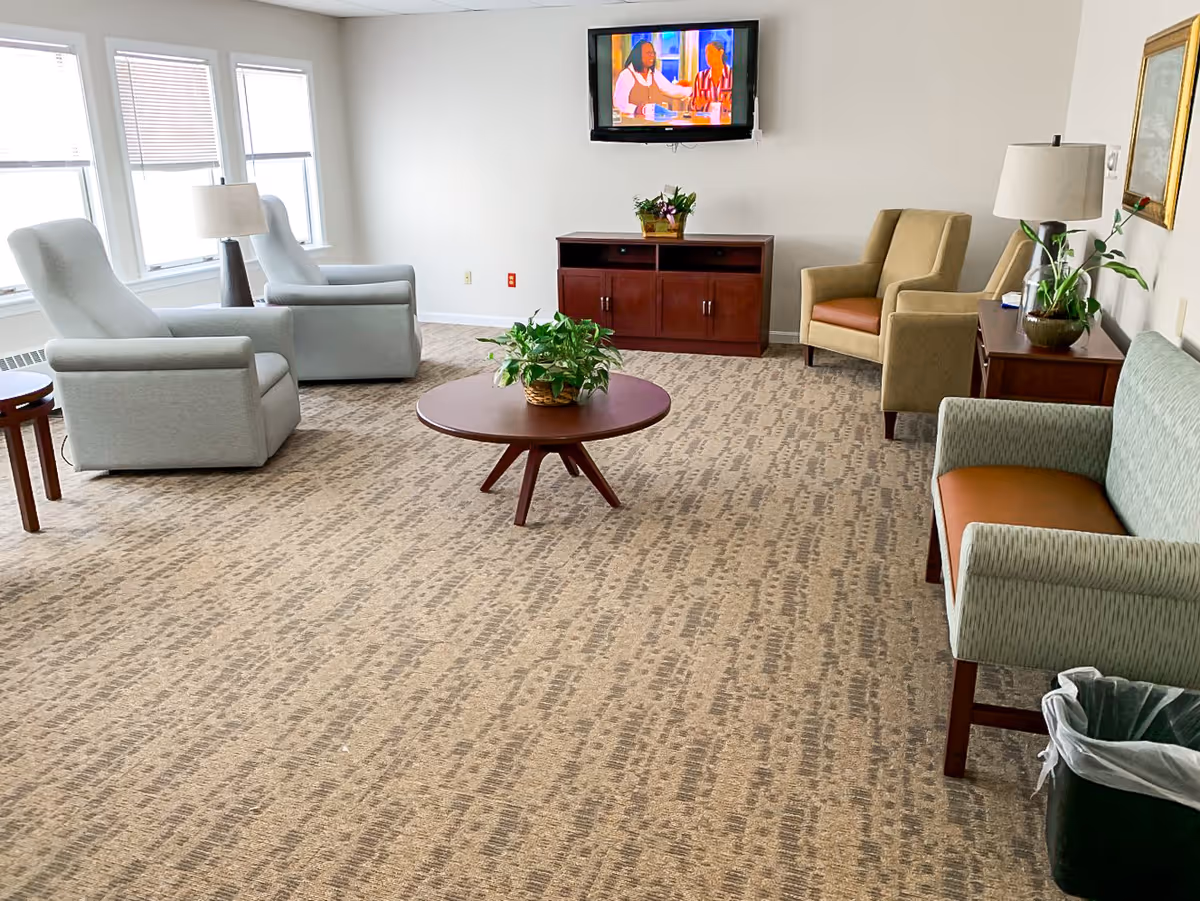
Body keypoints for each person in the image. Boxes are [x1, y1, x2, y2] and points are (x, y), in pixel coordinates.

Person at [613, 39, 692, 121]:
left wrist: (693, 91)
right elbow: (619, 104)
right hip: (634, 128)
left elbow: (672, 89)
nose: (652, 56)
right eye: (648, 53)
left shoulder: (655, 74)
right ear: (638, 55)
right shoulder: (626, 75)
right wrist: (639, 109)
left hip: (655, 128)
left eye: (653, 53)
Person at [690, 40, 734, 118]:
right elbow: (693, 107)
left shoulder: (733, 76)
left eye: (711, 52)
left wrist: (729, 106)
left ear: (720, 52)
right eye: (706, 53)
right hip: (705, 124)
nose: (707, 56)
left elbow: (741, 107)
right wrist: (698, 105)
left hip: (727, 124)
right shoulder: (701, 77)